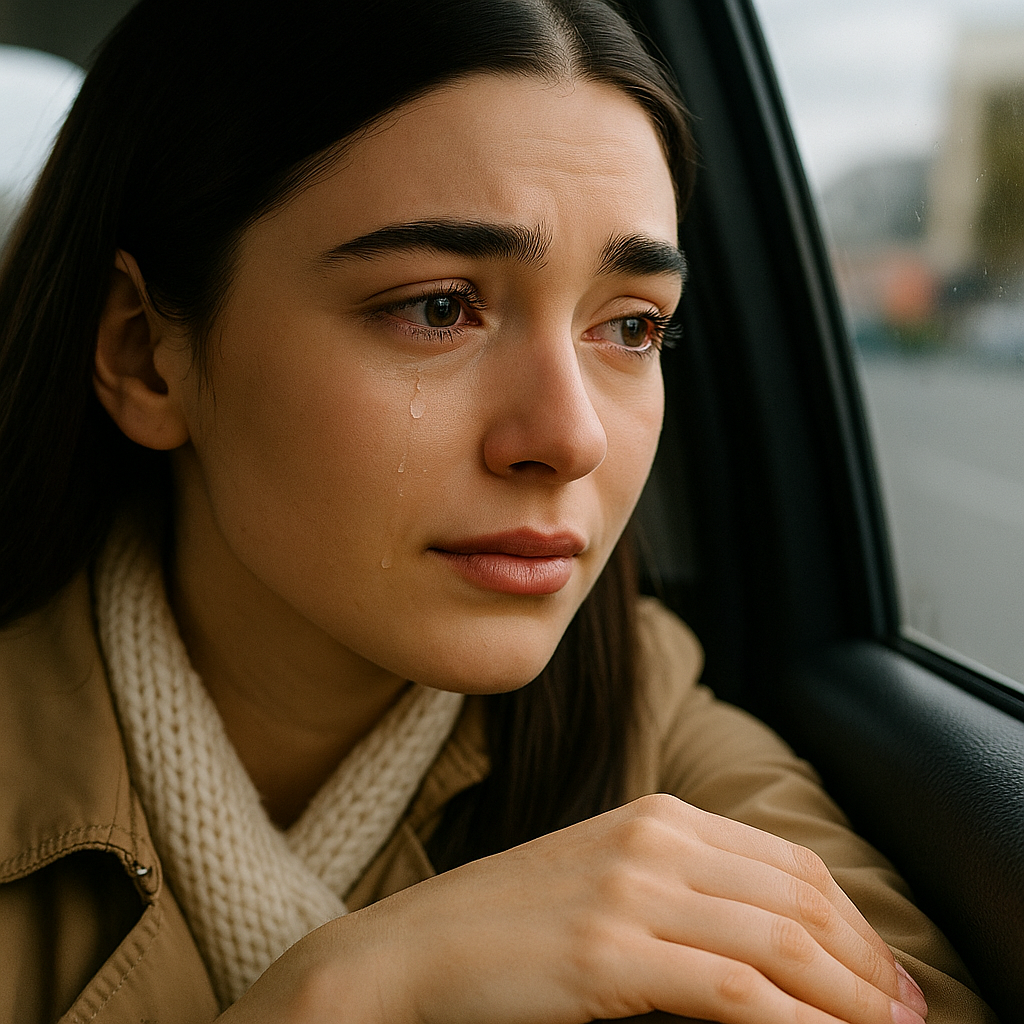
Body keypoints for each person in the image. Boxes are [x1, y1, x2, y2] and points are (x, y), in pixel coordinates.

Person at [0, 1, 998, 1022]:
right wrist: (342, 996)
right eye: (437, 307)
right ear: (142, 355)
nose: (571, 439)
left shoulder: (650, 720)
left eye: (631, 325)